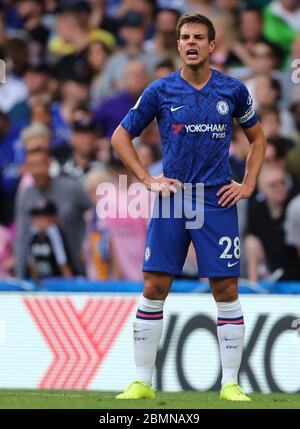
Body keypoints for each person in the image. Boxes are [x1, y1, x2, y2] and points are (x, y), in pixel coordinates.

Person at [111, 13, 266, 401]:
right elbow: (120, 137)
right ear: (177, 45)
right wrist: (148, 179)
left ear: (212, 45)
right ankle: (142, 381)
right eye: (184, 37)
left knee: (226, 288)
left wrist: (247, 184)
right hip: (172, 196)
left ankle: (230, 382)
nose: (191, 42)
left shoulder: (233, 90)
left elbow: (258, 139)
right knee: (155, 284)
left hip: (216, 197)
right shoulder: (160, 91)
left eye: (199, 37)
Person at [27, 198, 73, 282]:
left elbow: (63, 263)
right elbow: (32, 263)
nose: (39, 220)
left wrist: (69, 285)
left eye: (44, 216)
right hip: (42, 281)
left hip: (58, 281)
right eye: (37, 216)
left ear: (54, 217)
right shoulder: (32, 233)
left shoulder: (54, 232)